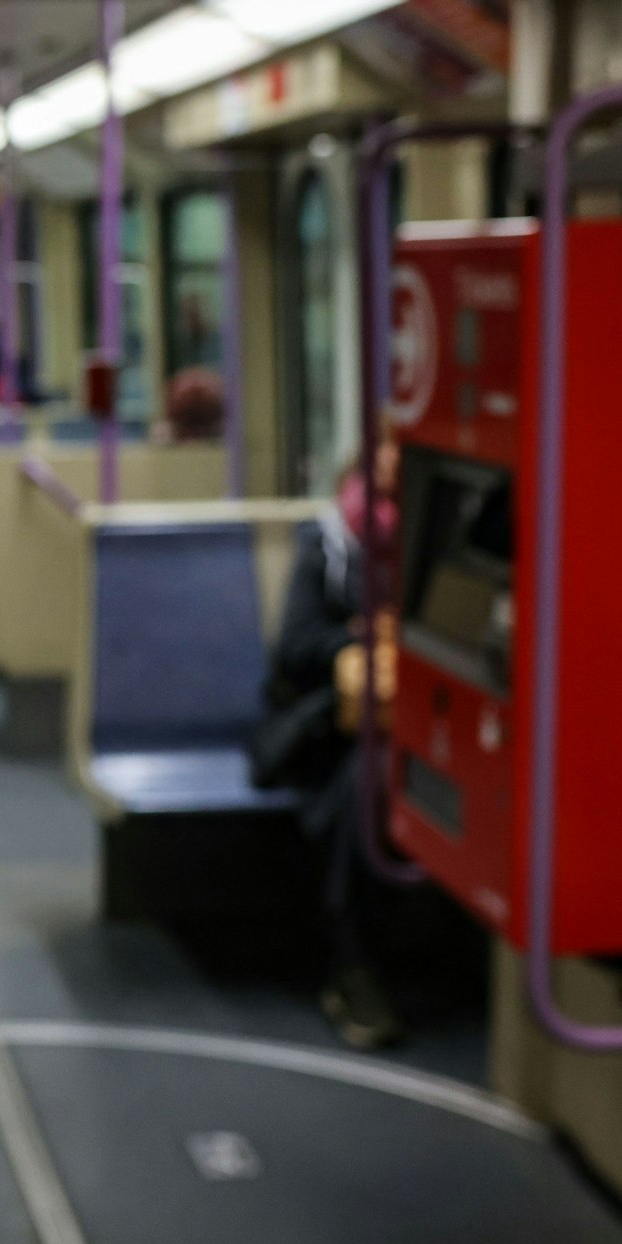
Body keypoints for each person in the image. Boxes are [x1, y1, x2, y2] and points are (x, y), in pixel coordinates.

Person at [257, 429, 403, 1050]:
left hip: (402, 719)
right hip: (323, 724)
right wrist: (362, 638)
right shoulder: (328, 543)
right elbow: (295, 647)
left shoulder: (431, 544)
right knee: (368, 776)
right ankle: (352, 962)